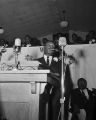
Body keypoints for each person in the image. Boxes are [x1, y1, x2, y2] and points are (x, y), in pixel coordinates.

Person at [37, 40, 61, 120]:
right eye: (49, 45)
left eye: (53, 46)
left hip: (55, 92)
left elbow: (60, 78)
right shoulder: (36, 61)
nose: (52, 47)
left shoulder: (59, 62)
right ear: (44, 48)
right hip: (39, 92)